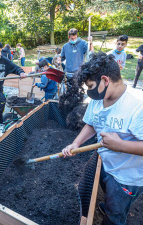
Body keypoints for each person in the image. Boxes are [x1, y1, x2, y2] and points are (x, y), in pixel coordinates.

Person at [62, 52, 143, 225]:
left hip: (127, 178)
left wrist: (120, 145)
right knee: (108, 193)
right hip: (106, 164)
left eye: (90, 86)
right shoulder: (99, 98)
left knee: (116, 213)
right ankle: (110, 206)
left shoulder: (138, 105)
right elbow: (92, 124)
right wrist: (75, 143)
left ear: (105, 80)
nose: (89, 92)